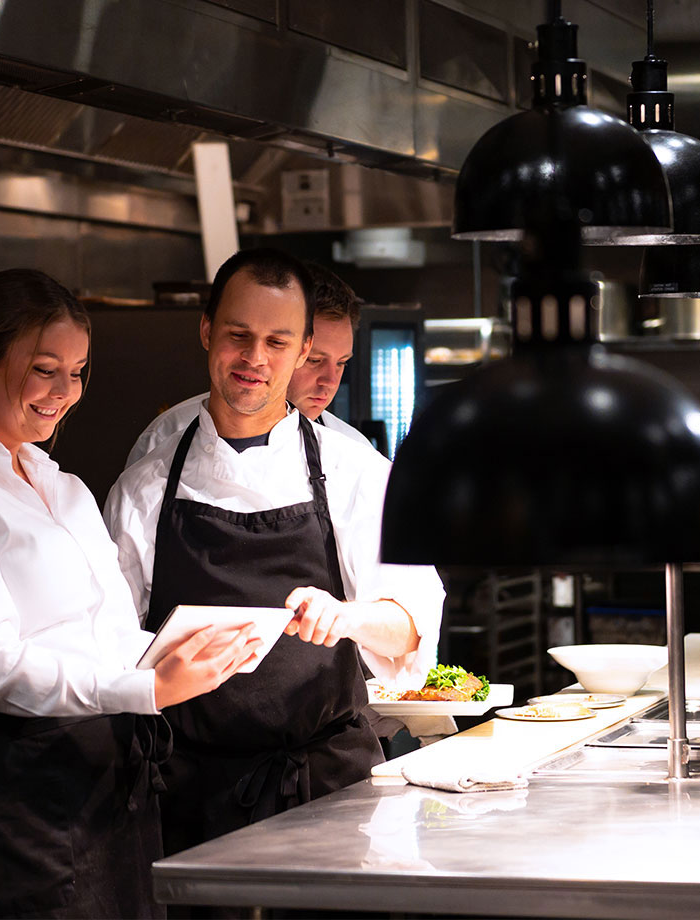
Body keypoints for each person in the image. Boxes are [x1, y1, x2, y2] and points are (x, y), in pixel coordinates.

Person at [0, 268, 260, 919]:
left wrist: (192, 647)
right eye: (45, 369)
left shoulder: (64, 488)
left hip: (109, 788)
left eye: (77, 372)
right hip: (11, 799)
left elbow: (105, 638)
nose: (64, 393)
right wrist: (149, 688)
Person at [103, 248, 445, 863]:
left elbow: (411, 631)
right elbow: (108, 650)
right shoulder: (145, 487)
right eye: (239, 336)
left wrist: (347, 616)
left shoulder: (356, 473)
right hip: (184, 796)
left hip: (328, 792)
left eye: (278, 342)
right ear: (207, 331)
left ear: (301, 347)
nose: (255, 360)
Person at [124, 262, 369, 468]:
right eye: (315, 361)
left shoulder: (356, 456)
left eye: (341, 363)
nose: (330, 381)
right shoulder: (166, 437)